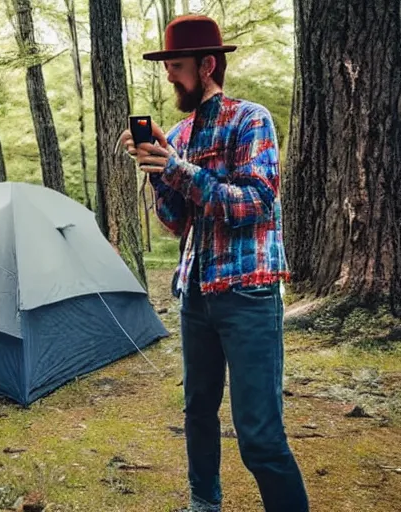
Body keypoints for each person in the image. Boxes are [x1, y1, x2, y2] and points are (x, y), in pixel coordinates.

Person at [120, 14, 309, 512]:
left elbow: (256, 201)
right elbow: (178, 221)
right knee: (198, 411)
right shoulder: (179, 133)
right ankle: (204, 503)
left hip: (248, 291)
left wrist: (179, 169)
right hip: (196, 292)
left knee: (259, 433)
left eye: (175, 65)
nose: (168, 75)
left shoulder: (252, 119)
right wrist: (159, 172)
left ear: (206, 66)